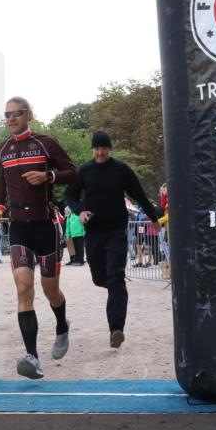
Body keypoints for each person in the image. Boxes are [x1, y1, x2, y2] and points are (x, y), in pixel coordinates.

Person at [0, 96, 78, 379]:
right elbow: (3, 181)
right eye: (7, 114)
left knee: (51, 290)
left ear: (29, 114)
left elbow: (73, 173)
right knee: (24, 290)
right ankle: (33, 357)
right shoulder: (2, 148)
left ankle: (62, 326)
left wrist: (48, 176)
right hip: (18, 227)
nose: (11, 118)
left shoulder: (45, 143)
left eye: (17, 113)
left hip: (45, 225)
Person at [65, 130, 159, 348]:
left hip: (116, 232)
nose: (100, 152)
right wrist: (80, 210)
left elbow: (139, 195)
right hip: (94, 233)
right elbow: (70, 196)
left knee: (116, 278)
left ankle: (116, 329)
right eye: (97, 148)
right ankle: (116, 294)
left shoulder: (121, 169)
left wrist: (154, 218)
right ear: (93, 150)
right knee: (101, 279)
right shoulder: (85, 171)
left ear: (110, 149)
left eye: (104, 148)